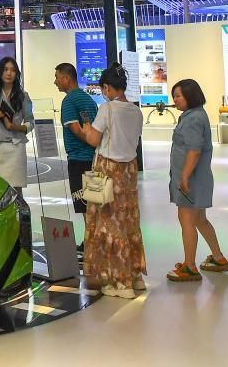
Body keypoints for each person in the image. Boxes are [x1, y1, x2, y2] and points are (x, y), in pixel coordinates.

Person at [80, 63, 146, 299]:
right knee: (128, 221)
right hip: (129, 170)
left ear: (107, 87)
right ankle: (135, 276)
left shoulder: (106, 109)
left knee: (107, 223)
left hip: (106, 169)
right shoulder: (136, 111)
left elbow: (93, 139)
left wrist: (86, 128)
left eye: (103, 89)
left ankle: (119, 282)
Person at [166, 79, 228, 282]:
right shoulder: (194, 115)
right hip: (197, 179)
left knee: (186, 220)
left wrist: (184, 176)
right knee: (200, 220)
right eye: (174, 96)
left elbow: (194, 150)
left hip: (190, 181)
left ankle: (189, 266)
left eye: (178, 96)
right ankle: (218, 258)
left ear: (190, 96)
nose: (175, 100)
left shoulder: (193, 119)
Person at [0, 58, 34, 193]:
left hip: (16, 147)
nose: (9, 73)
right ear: (0, 72)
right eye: (6, 69)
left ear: (16, 73)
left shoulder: (23, 96)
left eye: (12, 70)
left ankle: (18, 208)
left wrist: (14, 127)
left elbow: (31, 122)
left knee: (16, 190)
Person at [55, 63, 97, 222]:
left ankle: (90, 237)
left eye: (57, 77)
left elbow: (76, 130)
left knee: (85, 208)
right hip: (94, 160)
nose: (55, 82)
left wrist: (90, 141)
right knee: (95, 206)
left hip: (79, 162)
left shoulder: (68, 101)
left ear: (66, 78)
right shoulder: (88, 99)